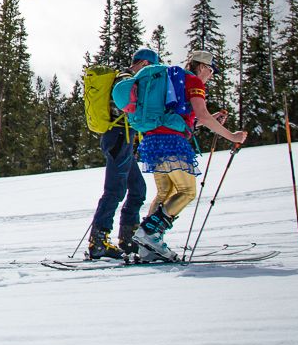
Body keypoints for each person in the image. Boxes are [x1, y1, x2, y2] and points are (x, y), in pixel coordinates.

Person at [133, 49, 247, 260]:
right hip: (172, 143)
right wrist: (232, 136)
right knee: (187, 191)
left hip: (152, 141)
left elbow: (187, 119)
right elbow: (202, 116)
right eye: (211, 70)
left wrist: (210, 118)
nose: (211, 76)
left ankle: (147, 247)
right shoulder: (194, 82)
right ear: (202, 66)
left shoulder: (174, 80)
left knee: (165, 192)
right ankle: (149, 233)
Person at [86, 49, 155, 260]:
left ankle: (128, 238)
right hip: (118, 138)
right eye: (150, 68)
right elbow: (127, 109)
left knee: (137, 188)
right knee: (115, 190)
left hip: (121, 138)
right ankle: (98, 241)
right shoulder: (125, 80)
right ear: (143, 63)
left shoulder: (125, 79)